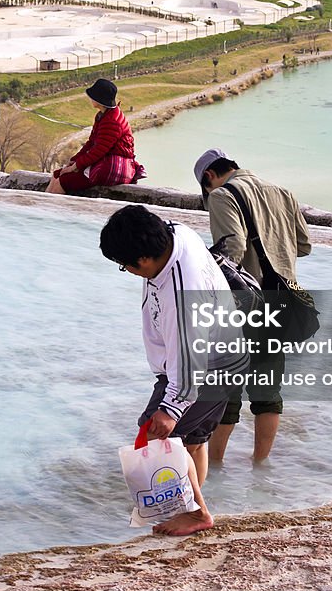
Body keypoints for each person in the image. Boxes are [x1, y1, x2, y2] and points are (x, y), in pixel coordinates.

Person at [100, 205, 248, 536]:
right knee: (194, 442)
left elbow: (189, 356)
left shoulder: (181, 294)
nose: (128, 271)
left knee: (155, 434)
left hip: (206, 367)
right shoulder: (177, 233)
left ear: (144, 259)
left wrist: (170, 409)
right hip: (228, 355)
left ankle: (197, 514)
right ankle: (189, 508)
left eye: (125, 266)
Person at [193, 149, 312, 464]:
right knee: (267, 395)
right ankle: (260, 467)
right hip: (283, 303)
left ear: (208, 177)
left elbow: (231, 249)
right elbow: (304, 245)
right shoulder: (282, 192)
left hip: (243, 304)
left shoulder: (221, 195)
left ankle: (214, 470)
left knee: (225, 393)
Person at [47, 78, 145, 195]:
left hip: (112, 167)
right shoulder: (104, 115)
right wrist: (74, 161)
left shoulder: (112, 121)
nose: (90, 98)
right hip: (104, 162)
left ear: (99, 99)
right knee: (57, 174)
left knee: (64, 181)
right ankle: (43, 207)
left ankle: (51, 209)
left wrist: (74, 167)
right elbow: (91, 142)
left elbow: (98, 150)